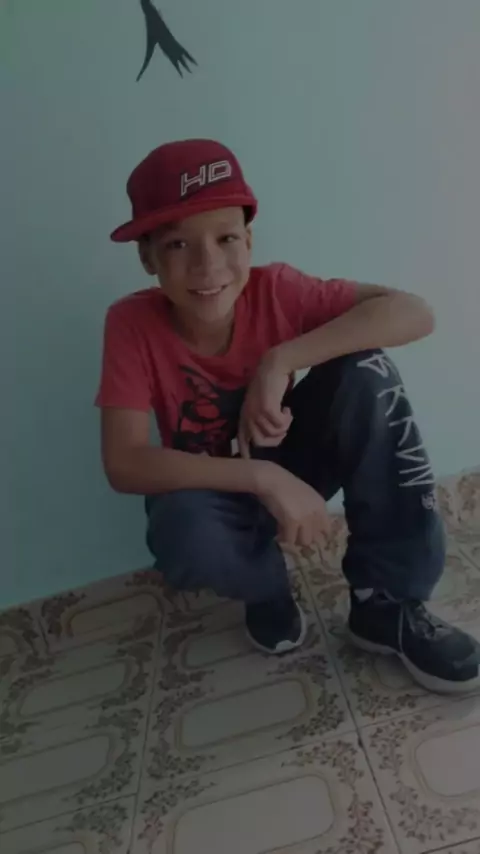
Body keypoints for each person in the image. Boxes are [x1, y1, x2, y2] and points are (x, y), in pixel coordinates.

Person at [96, 138, 480, 694]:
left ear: (248, 241)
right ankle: (265, 588)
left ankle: (387, 603)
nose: (208, 265)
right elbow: (125, 462)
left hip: (296, 455)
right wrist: (261, 476)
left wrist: (281, 360)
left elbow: (414, 313)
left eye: (226, 238)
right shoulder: (131, 324)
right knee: (181, 528)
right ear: (148, 258)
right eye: (178, 244)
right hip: (216, 490)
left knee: (367, 372)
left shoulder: (277, 290)